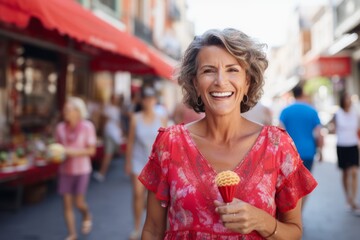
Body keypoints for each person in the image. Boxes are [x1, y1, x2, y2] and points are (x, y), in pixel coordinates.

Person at [138, 28, 317, 239]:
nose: (220, 81)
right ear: (195, 82)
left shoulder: (278, 146)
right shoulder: (169, 144)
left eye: (232, 69)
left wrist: (263, 221)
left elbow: (294, 231)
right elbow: (152, 229)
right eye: (208, 70)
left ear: (247, 81)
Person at [124, 86, 167, 240]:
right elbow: (130, 142)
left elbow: (165, 142)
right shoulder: (135, 118)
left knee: (153, 199)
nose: (149, 102)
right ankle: (136, 226)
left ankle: (151, 226)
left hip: (155, 164)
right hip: (138, 160)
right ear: (142, 101)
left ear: (155, 100)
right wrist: (127, 162)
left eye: (151, 99)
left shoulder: (161, 118)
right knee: (137, 194)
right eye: (146, 99)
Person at [55, 97, 96, 240]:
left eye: (68, 109)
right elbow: (59, 150)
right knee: (66, 204)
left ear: (78, 112)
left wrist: (69, 151)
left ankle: (86, 215)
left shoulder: (87, 127)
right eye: (64, 109)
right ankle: (72, 234)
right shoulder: (60, 128)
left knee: (79, 203)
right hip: (65, 170)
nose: (64, 111)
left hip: (82, 170)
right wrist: (54, 154)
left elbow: (91, 151)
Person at [279, 85, 323, 172]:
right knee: (306, 182)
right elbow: (319, 133)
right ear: (302, 93)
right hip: (308, 151)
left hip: (290, 152)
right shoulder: (312, 110)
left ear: (293, 94)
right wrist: (320, 150)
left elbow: (280, 131)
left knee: (293, 183)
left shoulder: (285, 111)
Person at [334, 92, 360, 214]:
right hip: (342, 145)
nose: (348, 100)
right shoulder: (337, 114)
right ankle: (347, 197)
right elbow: (333, 128)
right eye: (346, 98)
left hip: (353, 145)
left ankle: (353, 199)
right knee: (345, 173)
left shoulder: (355, 113)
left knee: (354, 171)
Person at [93, 95, 124, 182]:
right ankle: (102, 172)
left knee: (108, 154)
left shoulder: (112, 109)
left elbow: (104, 121)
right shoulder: (112, 109)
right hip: (112, 134)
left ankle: (102, 173)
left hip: (111, 134)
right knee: (108, 154)